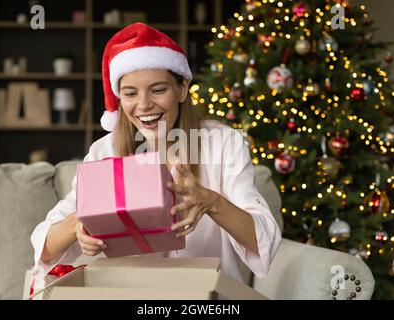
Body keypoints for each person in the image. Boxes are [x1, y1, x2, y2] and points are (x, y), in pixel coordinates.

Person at [31, 22, 282, 284]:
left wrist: (211, 202)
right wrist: (80, 223)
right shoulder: (105, 151)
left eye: (158, 90)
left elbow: (263, 240)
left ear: (182, 89)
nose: (143, 105)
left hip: (207, 297)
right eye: (130, 93)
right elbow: (45, 247)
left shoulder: (223, 143)